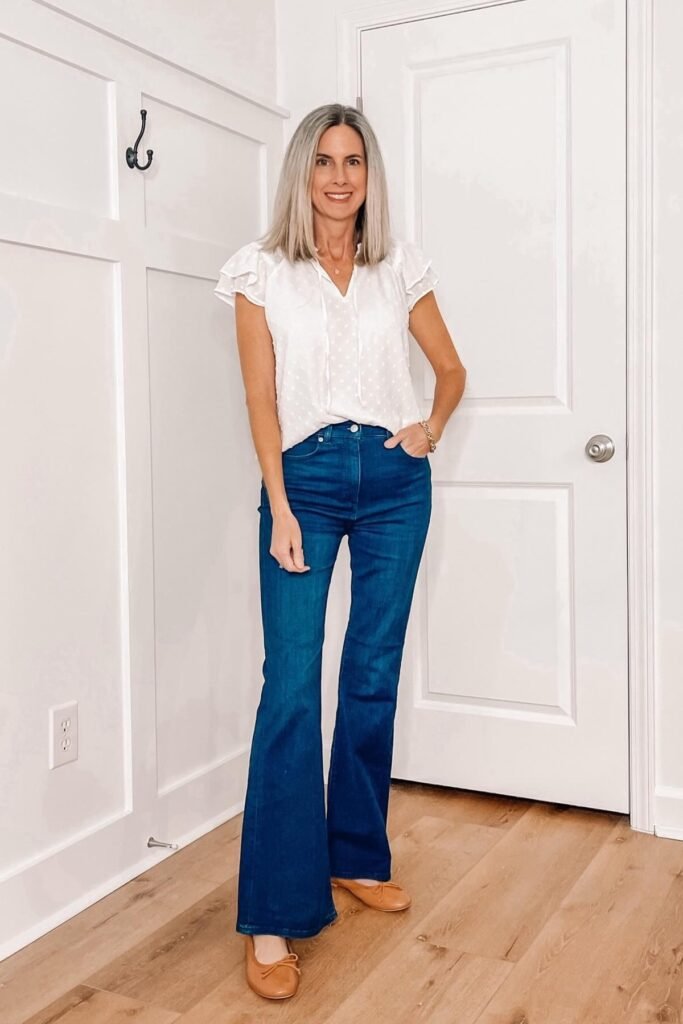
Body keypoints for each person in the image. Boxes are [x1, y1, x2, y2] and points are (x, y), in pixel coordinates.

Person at [214, 102, 466, 1001]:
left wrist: (428, 428)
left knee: (371, 671)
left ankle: (356, 853)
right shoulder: (261, 271)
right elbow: (260, 402)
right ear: (301, 173)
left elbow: (451, 369)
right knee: (291, 685)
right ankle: (274, 913)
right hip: (306, 484)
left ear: (369, 175)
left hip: (395, 483)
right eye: (322, 160)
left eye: (353, 160)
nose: (338, 176)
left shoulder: (398, 265)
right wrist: (279, 507)